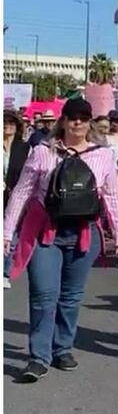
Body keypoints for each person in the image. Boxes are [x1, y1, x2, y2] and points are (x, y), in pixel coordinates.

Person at [3, 98, 118, 382]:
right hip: (46, 232)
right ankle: (38, 357)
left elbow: (112, 196)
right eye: (72, 117)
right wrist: (7, 232)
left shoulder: (103, 155)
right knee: (43, 295)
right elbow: (22, 192)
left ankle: (62, 348)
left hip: (83, 233)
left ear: (90, 121)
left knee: (70, 297)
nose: (78, 122)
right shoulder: (42, 152)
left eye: (84, 117)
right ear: (63, 119)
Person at [4, 111, 30, 289]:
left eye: (12, 123)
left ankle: (4, 272)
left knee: (10, 236)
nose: (8, 126)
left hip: (14, 196)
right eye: (4, 123)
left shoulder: (24, 148)